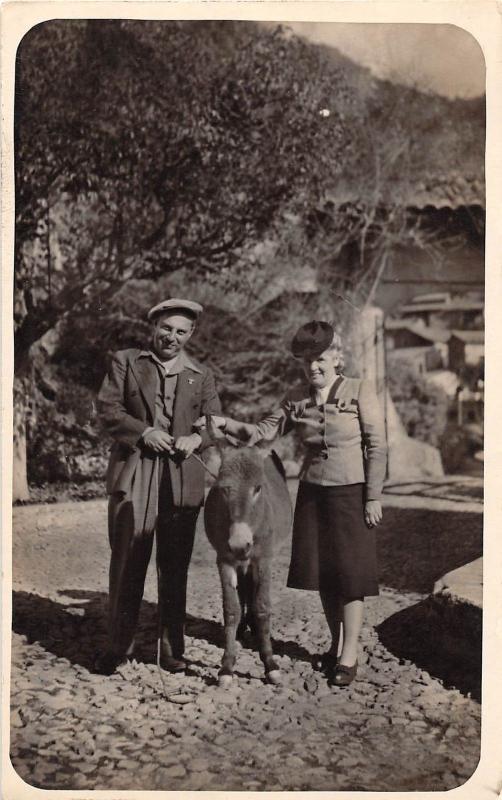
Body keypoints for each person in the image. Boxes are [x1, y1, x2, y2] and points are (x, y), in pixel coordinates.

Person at [200, 320, 387, 687]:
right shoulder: (296, 397)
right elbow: (261, 432)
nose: (313, 367)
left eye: (319, 358)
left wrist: (374, 496)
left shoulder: (360, 391)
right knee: (327, 574)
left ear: (336, 356)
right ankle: (337, 647)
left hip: (351, 491)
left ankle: (349, 656)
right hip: (313, 492)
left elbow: (377, 445)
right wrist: (222, 422)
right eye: (305, 361)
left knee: (351, 575)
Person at [95, 298, 221, 675]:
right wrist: (144, 431)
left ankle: (172, 650)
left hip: (181, 477)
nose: (173, 337)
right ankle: (118, 646)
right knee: (128, 558)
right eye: (167, 328)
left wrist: (195, 441)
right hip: (135, 469)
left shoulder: (201, 374)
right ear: (154, 325)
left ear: (191, 335)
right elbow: (108, 411)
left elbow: (214, 423)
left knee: (175, 563)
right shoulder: (127, 361)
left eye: (182, 331)